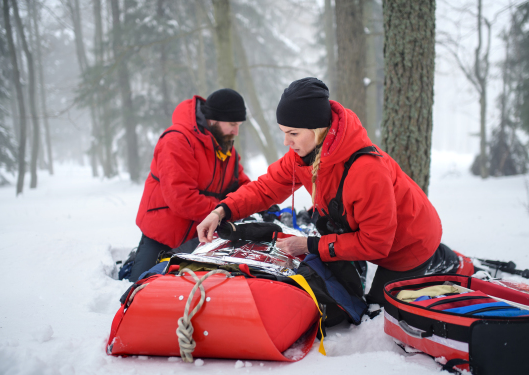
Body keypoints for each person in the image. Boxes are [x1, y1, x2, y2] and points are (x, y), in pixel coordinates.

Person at [197, 77, 460, 305]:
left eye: (293, 133)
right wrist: (221, 211)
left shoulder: (367, 170)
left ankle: (445, 261)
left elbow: (377, 243)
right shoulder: (305, 154)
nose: (286, 142)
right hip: (364, 234)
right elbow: (265, 188)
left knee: (380, 312)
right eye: (283, 133)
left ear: (317, 129)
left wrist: (310, 244)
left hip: (409, 245)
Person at [129, 88, 251, 282]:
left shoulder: (227, 148)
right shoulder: (177, 140)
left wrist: (256, 203)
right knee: (139, 286)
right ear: (214, 119)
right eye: (232, 124)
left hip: (202, 238)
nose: (236, 131)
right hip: (163, 237)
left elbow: (243, 186)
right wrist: (225, 211)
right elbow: (182, 198)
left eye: (239, 125)